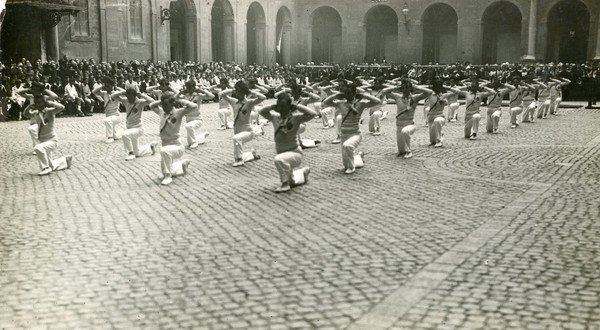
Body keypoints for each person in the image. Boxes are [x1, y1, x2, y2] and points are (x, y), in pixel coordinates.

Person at [258, 93, 316, 193]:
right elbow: (261, 111)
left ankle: (284, 185)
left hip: (295, 153)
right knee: (292, 182)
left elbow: (313, 114)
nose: (281, 109)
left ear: (289, 107)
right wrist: (272, 106)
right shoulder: (275, 117)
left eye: (284, 106)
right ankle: (303, 172)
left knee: (279, 160)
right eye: (279, 106)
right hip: (281, 152)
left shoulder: (296, 118)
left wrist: (297, 106)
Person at [322, 82, 381, 174]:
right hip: (344, 134)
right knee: (345, 163)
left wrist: (364, 95)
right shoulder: (341, 103)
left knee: (347, 146)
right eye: (346, 94)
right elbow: (325, 102)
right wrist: (335, 95)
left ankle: (352, 168)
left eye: (350, 93)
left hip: (355, 134)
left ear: (354, 93)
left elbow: (377, 101)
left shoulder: (360, 104)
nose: (348, 96)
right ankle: (359, 157)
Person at [149, 94, 196, 185]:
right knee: (164, 169)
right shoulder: (162, 112)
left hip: (177, 146)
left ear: (172, 104)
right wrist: (162, 100)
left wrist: (179, 101)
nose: (163, 106)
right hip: (165, 145)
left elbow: (194, 106)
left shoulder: (178, 112)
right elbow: (151, 105)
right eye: (162, 105)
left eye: (166, 104)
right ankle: (182, 164)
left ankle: (168, 177)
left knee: (164, 152)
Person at [219, 80, 266, 167]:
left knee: (236, 139)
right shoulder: (233, 101)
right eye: (236, 91)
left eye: (239, 91)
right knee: (238, 143)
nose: (237, 94)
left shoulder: (249, 103)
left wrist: (250, 91)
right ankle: (252, 154)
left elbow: (263, 97)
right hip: (237, 130)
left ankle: (239, 160)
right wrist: (232, 90)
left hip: (248, 131)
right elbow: (221, 94)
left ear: (244, 92)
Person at [23, 94, 72, 176]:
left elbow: (61, 107)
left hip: (52, 140)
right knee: (51, 165)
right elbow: (25, 114)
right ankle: (65, 160)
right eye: (37, 103)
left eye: (40, 103)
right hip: (43, 140)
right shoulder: (36, 113)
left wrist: (49, 102)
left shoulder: (50, 111)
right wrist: (30, 106)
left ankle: (45, 168)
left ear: (44, 103)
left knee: (37, 148)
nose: (38, 105)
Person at [384, 79, 432, 158]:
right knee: (401, 151)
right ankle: (405, 150)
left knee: (405, 131)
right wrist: (397, 86)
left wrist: (415, 87)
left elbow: (429, 92)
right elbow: (384, 91)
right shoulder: (397, 97)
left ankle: (409, 152)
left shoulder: (415, 98)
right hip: (399, 125)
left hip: (409, 124)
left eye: (407, 88)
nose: (405, 90)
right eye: (403, 88)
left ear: (410, 89)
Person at [17, 82, 60, 153]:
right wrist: (29, 89)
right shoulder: (31, 96)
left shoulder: (44, 97)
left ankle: (38, 148)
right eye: (34, 89)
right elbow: (19, 92)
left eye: (37, 89)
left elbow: (55, 96)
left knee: (32, 129)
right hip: (34, 118)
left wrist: (45, 90)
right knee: (35, 132)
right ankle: (39, 147)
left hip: (43, 119)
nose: (35, 91)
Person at [120, 88, 157, 160]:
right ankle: (150, 146)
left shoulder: (140, 102)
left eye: (130, 97)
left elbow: (152, 101)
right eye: (127, 97)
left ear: (134, 96)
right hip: (129, 128)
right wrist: (122, 93)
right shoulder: (126, 101)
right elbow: (113, 96)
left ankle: (131, 153)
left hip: (138, 128)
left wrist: (142, 95)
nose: (128, 99)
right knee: (137, 153)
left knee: (124, 134)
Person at [177, 80, 214, 149]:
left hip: (197, 119)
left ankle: (194, 143)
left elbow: (212, 96)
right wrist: (180, 93)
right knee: (189, 141)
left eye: (190, 88)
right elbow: (174, 99)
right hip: (188, 119)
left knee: (188, 127)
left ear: (194, 87)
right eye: (187, 87)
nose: (188, 89)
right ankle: (202, 136)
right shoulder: (185, 95)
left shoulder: (198, 95)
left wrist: (202, 91)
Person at [92, 78, 124, 143]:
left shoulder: (115, 93)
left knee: (107, 120)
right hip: (108, 115)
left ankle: (110, 137)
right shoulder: (104, 93)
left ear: (112, 86)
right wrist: (101, 86)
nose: (107, 88)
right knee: (116, 136)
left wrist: (117, 87)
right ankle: (122, 131)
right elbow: (94, 92)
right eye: (106, 86)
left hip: (116, 116)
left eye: (109, 86)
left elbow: (126, 92)